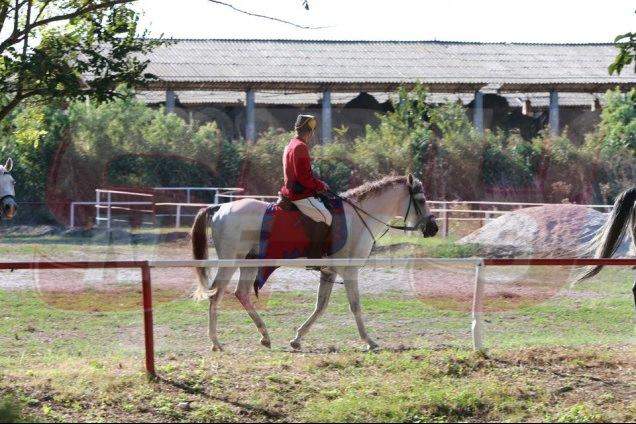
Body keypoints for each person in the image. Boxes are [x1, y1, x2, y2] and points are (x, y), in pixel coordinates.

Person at [280, 114, 331, 270]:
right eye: (313, 131)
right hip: (299, 195)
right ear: (310, 132)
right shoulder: (301, 147)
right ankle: (314, 260)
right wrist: (321, 185)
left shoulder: (289, 145)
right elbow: (304, 178)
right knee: (327, 217)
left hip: (290, 191)